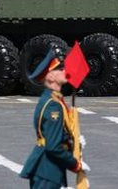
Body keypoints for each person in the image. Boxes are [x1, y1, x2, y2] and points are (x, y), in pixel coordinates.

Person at [19, 49, 86, 188]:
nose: (64, 71)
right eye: (59, 69)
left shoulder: (52, 100)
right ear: (50, 77)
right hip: (47, 170)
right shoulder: (53, 105)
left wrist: (73, 142)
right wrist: (75, 164)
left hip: (47, 169)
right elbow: (53, 146)